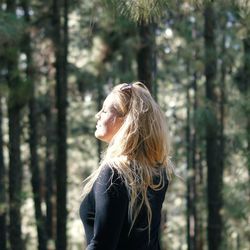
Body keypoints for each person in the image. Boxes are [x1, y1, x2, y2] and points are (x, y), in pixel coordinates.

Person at [80, 82, 173, 250]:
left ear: (125, 120)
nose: (98, 115)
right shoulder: (159, 173)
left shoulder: (114, 173)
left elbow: (102, 245)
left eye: (105, 110)